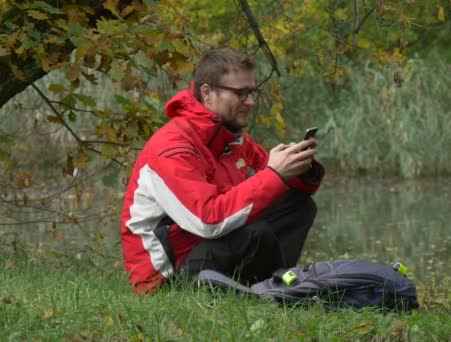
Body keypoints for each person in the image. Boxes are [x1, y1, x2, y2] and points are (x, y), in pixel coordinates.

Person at [120, 48, 324, 294]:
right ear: (207, 93)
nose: (250, 102)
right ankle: (275, 289)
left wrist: (298, 167)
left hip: (205, 245)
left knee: (297, 206)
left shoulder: (230, 139)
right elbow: (208, 219)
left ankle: (273, 285)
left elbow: (275, 182)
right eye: (240, 93)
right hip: (164, 277)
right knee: (251, 232)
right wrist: (275, 173)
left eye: (252, 92)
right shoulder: (172, 146)